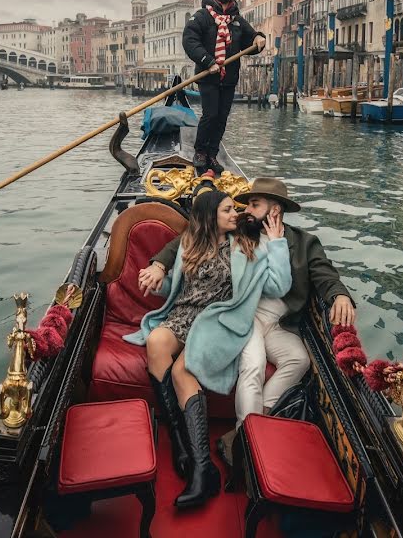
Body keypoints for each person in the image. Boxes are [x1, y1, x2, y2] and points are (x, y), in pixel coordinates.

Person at [137, 178, 356, 460]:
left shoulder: (303, 243)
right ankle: (248, 442)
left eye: (254, 204)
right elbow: (193, 236)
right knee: (253, 365)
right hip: (245, 316)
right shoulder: (242, 230)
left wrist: (340, 295)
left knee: (299, 359)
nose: (245, 210)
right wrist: (159, 264)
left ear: (274, 209)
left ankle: (254, 424)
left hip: (280, 323)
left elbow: (324, 273)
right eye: (246, 204)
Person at [124, 189, 291, 509]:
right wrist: (158, 271)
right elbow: (177, 263)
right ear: (209, 216)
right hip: (183, 315)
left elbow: (278, 285)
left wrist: (278, 241)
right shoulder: (192, 243)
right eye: (227, 209)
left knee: (181, 369)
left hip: (216, 323)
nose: (234, 213)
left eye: (234, 209)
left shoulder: (245, 245)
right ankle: (179, 442)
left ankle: (203, 468)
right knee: (157, 340)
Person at [183, 0, 266, 175]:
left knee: (222, 117)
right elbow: (190, 41)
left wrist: (259, 39)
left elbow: (251, 40)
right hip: (208, 75)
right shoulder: (201, 16)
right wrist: (207, 60)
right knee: (210, 115)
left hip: (228, 77)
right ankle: (200, 152)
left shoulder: (236, 20)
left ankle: (212, 153)